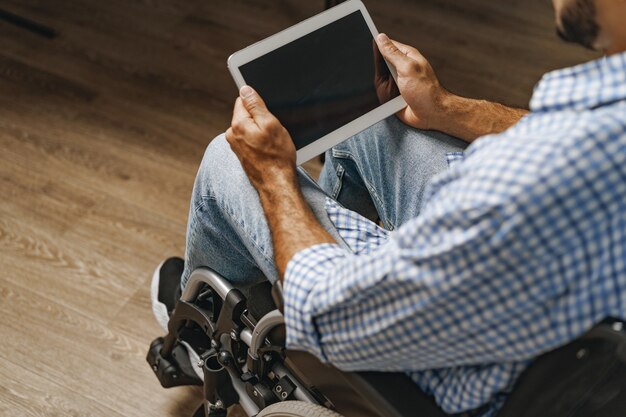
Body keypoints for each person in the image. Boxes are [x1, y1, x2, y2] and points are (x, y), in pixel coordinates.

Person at [151, 0, 626, 415]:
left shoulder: (515, 198)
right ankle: (292, 249)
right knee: (368, 118)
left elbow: (329, 313)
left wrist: (276, 180)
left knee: (229, 159)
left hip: (471, 367)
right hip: (547, 298)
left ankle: (203, 333)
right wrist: (445, 106)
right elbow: (554, 134)